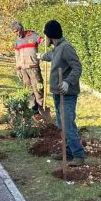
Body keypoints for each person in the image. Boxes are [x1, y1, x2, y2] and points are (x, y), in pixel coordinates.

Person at [39, 20, 86, 166]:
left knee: (67, 125)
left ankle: (78, 156)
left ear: (50, 35)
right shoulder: (57, 48)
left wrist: (67, 82)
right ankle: (68, 151)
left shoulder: (66, 48)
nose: (45, 39)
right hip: (57, 94)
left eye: (46, 35)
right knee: (61, 125)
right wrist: (40, 56)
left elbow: (77, 67)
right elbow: (51, 55)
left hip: (67, 94)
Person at [11, 21, 44, 114]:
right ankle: (33, 109)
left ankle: (41, 107)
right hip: (23, 69)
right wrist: (18, 69)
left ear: (21, 29)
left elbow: (43, 42)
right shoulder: (17, 41)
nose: (16, 34)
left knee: (38, 88)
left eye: (17, 31)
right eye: (14, 32)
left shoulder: (33, 36)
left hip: (33, 67)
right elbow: (17, 56)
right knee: (28, 89)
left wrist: (47, 40)